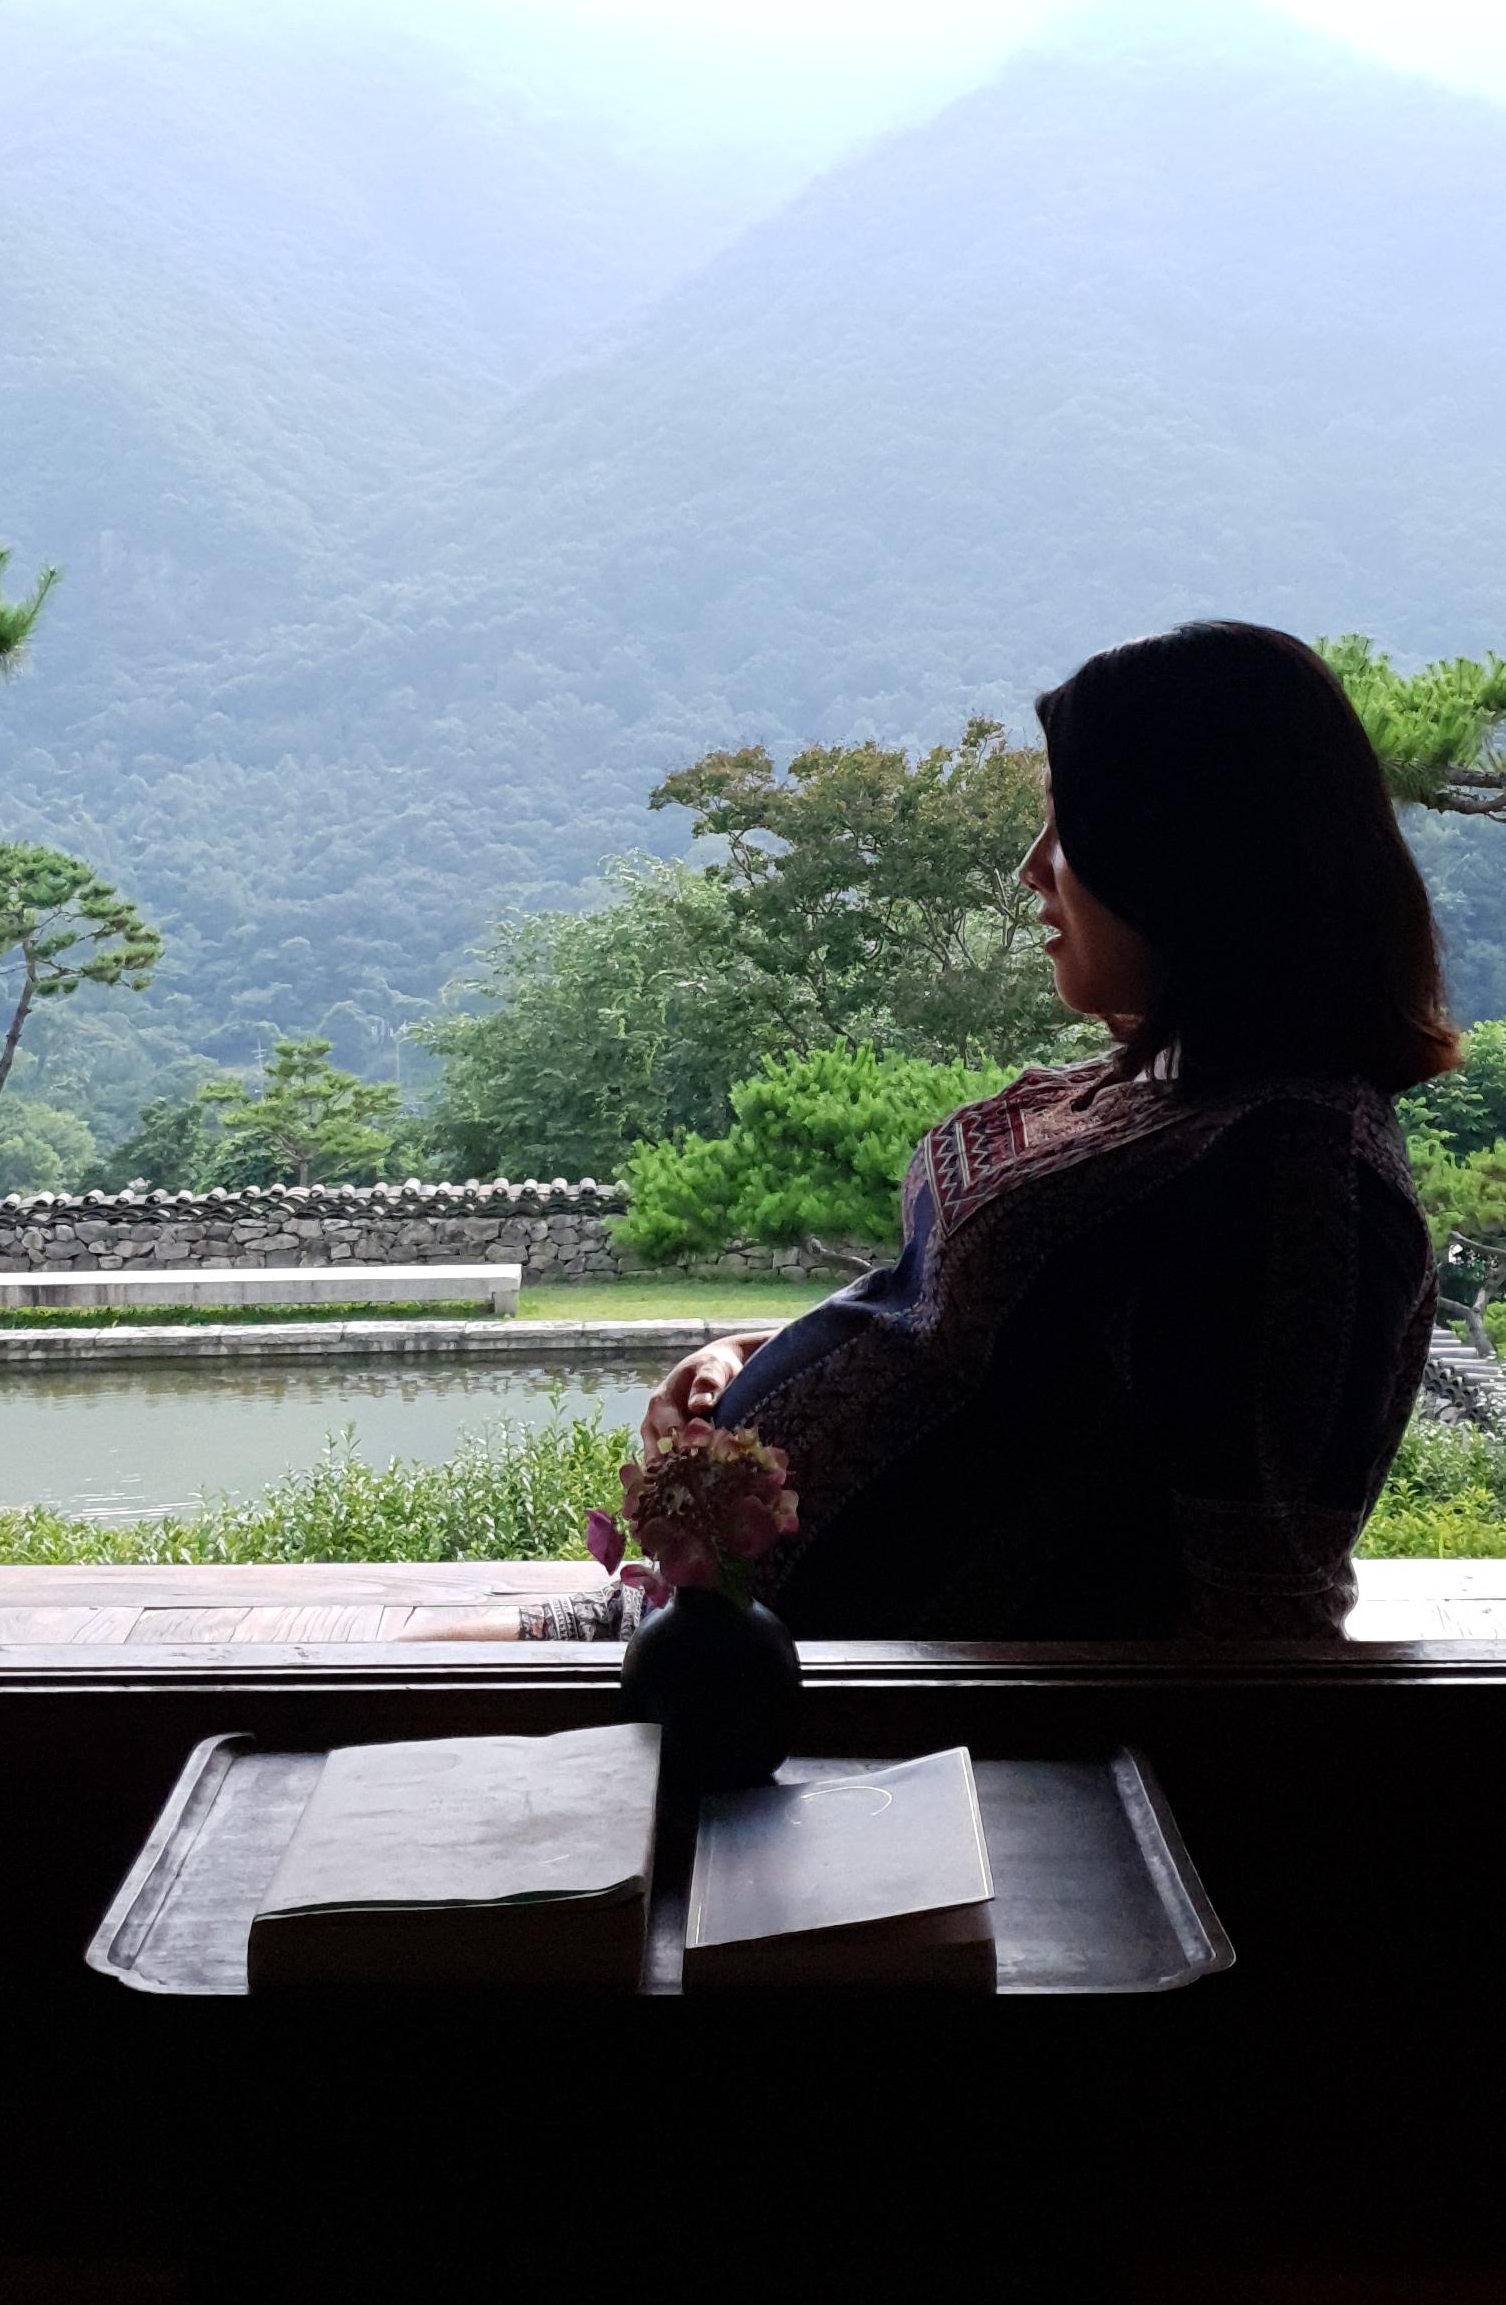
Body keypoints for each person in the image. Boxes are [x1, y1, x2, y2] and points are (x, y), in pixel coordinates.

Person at [521, 622, 1454, 1646]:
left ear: (1179, 854)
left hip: (879, 1710)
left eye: (1067, 830)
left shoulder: (1296, 1176)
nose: (1030, 869)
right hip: (738, 1640)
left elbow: (1258, 1606)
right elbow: (1006, 1368)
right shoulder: (1168, 1101)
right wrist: (748, 1359)